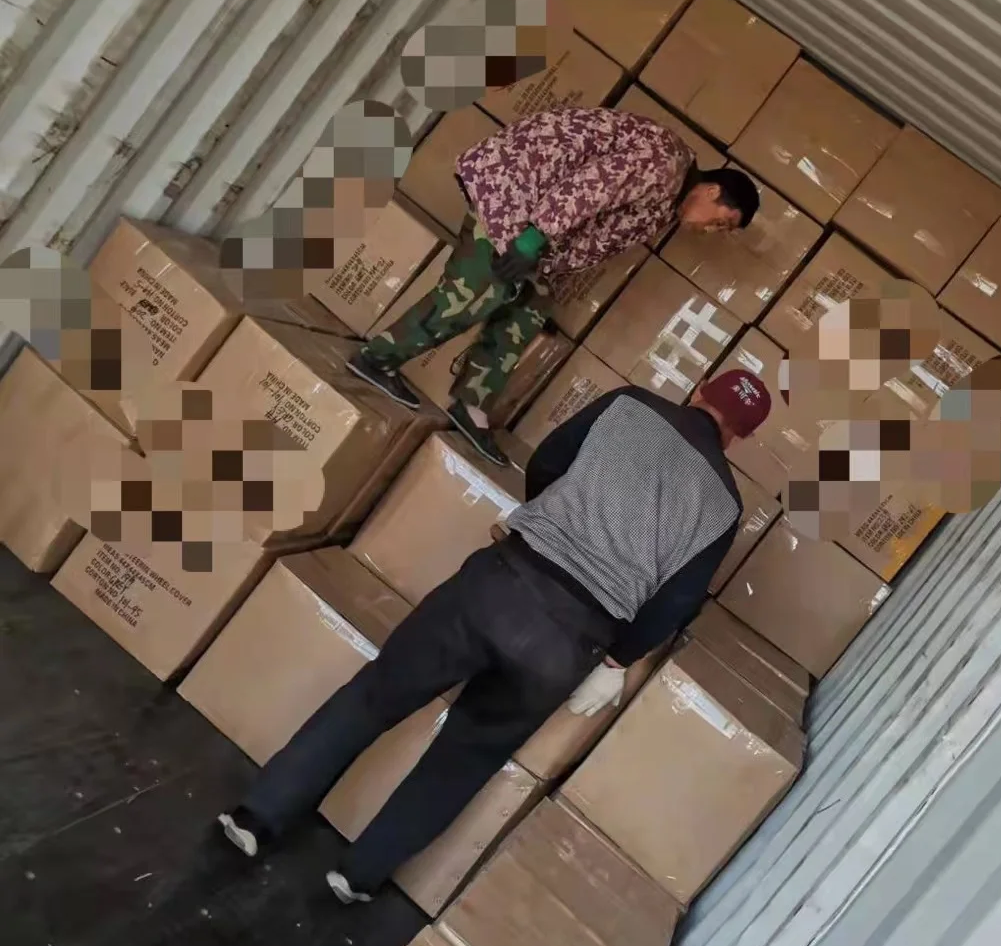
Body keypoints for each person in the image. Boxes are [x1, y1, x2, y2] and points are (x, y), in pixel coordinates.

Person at [217, 367, 772, 904]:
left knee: (374, 696)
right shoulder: (724, 504)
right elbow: (675, 601)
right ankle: (358, 876)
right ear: (740, 438)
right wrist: (616, 661)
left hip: (503, 581)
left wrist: (552, 518)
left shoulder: (629, 405)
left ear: (699, 389)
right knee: (461, 761)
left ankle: (258, 816)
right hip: (570, 642)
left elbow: (549, 459)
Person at [347, 105, 760, 464]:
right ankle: (377, 358)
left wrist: (545, 261)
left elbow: (598, 233)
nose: (712, 230)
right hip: (514, 197)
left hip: (535, 227)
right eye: (721, 221)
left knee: (530, 306)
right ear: (712, 190)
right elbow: (588, 189)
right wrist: (532, 240)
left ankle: (472, 402)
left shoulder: (667, 204)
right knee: (477, 290)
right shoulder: (665, 164)